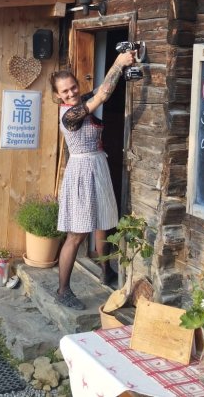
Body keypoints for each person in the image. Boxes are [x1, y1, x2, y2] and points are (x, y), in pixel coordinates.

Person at [49, 50, 136, 310]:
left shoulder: (81, 101)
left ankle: (104, 269)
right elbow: (103, 95)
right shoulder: (69, 115)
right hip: (81, 170)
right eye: (65, 91)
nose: (71, 93)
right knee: (77, 234)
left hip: (96, 164)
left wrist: (119, 69)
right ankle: (62, 289)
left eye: (73, 87)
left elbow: (99, 89)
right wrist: (119, 62)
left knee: (101, 220)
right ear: (57, 96)